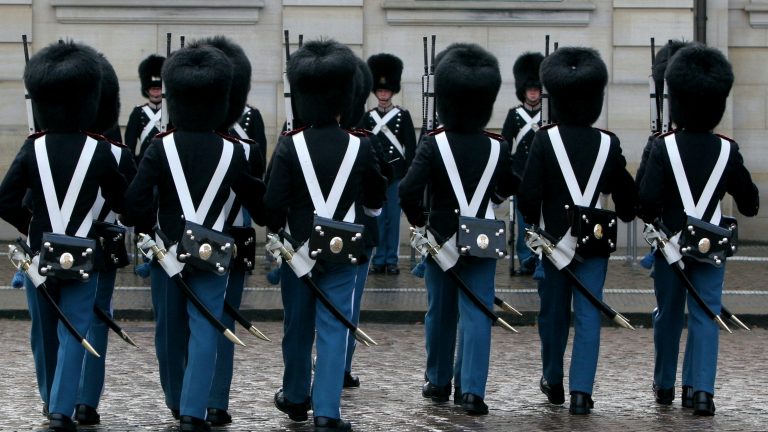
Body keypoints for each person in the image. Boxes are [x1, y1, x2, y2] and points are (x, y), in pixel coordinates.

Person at [125, 43, 265, 432]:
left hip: (168, 253)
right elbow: (262, 204)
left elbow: (134, 203)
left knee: (169, 333)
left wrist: (145, 225)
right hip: (214, 254)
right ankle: (193, 410)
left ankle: (177, 399)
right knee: (208, 329)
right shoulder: (234, 151)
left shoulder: (159, 148)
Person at [0, 40, 128, 432]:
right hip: (84, 254)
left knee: (43, 331)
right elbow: (125, 202)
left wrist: (30, 225)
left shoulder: (32, 147)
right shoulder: (101, 150)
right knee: (75, 328)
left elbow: (5, 200)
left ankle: (50, 397)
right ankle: (62, 407)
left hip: (41, 252)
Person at [265, 39, 386, 432]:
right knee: (335, 327)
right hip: (344, 249)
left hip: (299, 249)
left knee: (296, 326)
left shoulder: (289, 144)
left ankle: (296, 397)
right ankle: (328, 411)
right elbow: (375, 200)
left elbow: (272, 205)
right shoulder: (360, 145)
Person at [638, 43, 759, 416]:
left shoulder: (664, 146)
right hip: (710, 247)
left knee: (668, 315)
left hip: (670, 244)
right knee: (706, 315)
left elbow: (644, 204)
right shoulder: (727, 149)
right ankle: (701, 391)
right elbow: (750, 203)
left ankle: (665, 386)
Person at [517, 47, 637, 415]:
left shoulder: (545, 139)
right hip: (594, 245)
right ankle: (582, 392)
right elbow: (628, 200)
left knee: (553, 315)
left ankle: (553, 380)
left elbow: (528, 195)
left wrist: (536, 227)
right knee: (588, 317)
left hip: (555, 244)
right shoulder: (607, 142)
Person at [399, 42, 516, 415]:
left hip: (441, 237)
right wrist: (491, 197)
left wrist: (420, 221)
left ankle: (437, 381)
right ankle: (471, 390)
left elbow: (408, 190)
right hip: (483, 236)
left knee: (440, 313)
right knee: (478, 313)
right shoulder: (497, 146)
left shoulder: (434, 145)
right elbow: (509, 184)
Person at [189, 35, 266, 427]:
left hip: (231, 234)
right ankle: (201, 398)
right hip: (211, 235)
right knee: (210, 323)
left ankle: (213, 399)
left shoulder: (249, 133)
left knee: (221, 321)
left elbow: (258, 183)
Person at [75, 52, 138, 426]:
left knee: (61, 325)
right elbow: (130, 210)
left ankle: (58, 397)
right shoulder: (119, 154)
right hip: (100, 251)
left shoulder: (45, 147)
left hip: (58, 248)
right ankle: (86, 401)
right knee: (98, 319)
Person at [341, 56, 394, 389]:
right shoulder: (365, 140)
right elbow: (380, 184)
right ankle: (340, 366)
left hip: (313, 235)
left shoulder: (300, 142)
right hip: (359, 232)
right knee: (349, 305)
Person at [360, 53, 417, 275]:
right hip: (375, 174)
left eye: (386, 91)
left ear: (392, 92)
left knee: (392, 220)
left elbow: (410, 147)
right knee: (376, 218)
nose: (383, 94)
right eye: (380, 91)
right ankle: (378, 259)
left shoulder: (402, 116)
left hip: (396, 174)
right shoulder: (368, 117)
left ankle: (391, 259)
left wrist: (409, 174)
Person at [501, 52, 544, 276]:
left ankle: (539, 255)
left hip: (542, 175)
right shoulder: (515, 115)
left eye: (536, 89)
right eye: (530, 90)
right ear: (524, 91)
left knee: (540, 221)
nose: (533, 93)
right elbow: (506, 143)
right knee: (523, 221)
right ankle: (526, 257)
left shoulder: (548, 114)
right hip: (520, 174)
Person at [124, 54, 164, 162]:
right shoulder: (138, 112)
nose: (156, 92)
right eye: (152, 88)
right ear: (146, 90)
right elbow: (130, 143)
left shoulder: (170, 113)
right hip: (145, 161)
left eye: (159, 88)